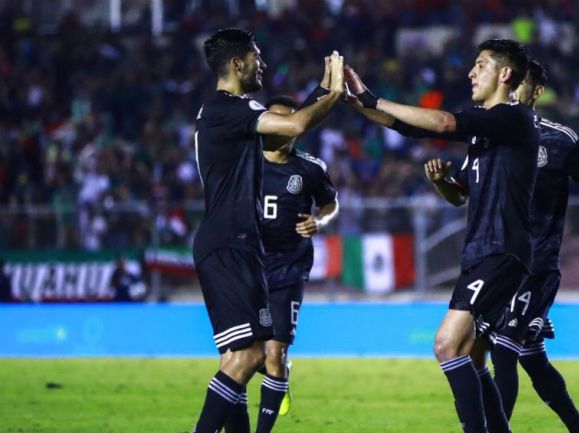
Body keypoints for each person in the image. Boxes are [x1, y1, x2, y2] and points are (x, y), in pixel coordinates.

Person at [346, 39, 538, 433]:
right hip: (483, 250)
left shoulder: (513, 118)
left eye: (480, 65)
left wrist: (374, 98)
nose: (471, 72)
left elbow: (444, 123)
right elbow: (456, 193)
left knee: (446, 345)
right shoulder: (486, 132)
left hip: (502, 249)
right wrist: (360, 105)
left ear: (504, 74)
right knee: (467, 354)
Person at [191, 28, 344, 433]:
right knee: (248, 358)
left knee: (243, 356)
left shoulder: (228, 112)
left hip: (239, 245)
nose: (264, 64)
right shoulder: (228, 108)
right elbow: (294, 127)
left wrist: (326, 88)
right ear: (237, 63)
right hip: (230, 243)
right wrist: (332, 92)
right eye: (258, 57)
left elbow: (291, 126)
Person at [489, 59, 579, 433]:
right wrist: (441, 184)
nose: (512, 88)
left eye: (521, 84)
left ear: (535, 92)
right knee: (532, 358)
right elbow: (463, 193)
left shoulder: (559, 138)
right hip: (500, 264)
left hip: (538, 265)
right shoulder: (491, 134)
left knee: (504, 349)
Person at [248, 95, 339, 427]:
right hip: (249, 269)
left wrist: (321, 221)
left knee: (275, 354)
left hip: (289, 268)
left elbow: (330, 203)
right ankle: (279, 377)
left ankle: (276, 385)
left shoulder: (310, 168)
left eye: (292, 122)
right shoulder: (245, 165)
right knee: (248, 355)